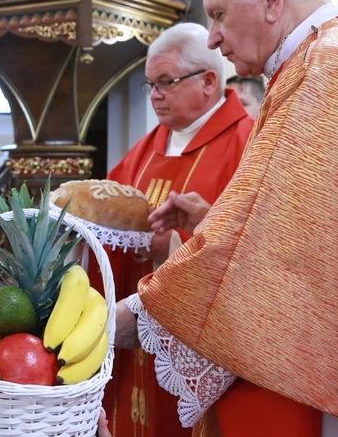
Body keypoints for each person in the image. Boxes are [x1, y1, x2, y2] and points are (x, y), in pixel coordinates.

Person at [117, 0, 338, 435]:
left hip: (314, 372)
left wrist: (133, 316)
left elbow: (272, 259)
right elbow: (307, 231)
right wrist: (215, 220)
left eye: (218, 13)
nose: (213, 38)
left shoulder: (324, 70)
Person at [100, 22, 254, 437]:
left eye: (165, 82)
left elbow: (252, 256)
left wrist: (172, 246)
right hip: (136, 340)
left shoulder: (248, 144)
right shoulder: (148, 144)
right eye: (150, 84)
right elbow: (107, 217)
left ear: (208, 81)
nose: (154, 95)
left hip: (199, 350)